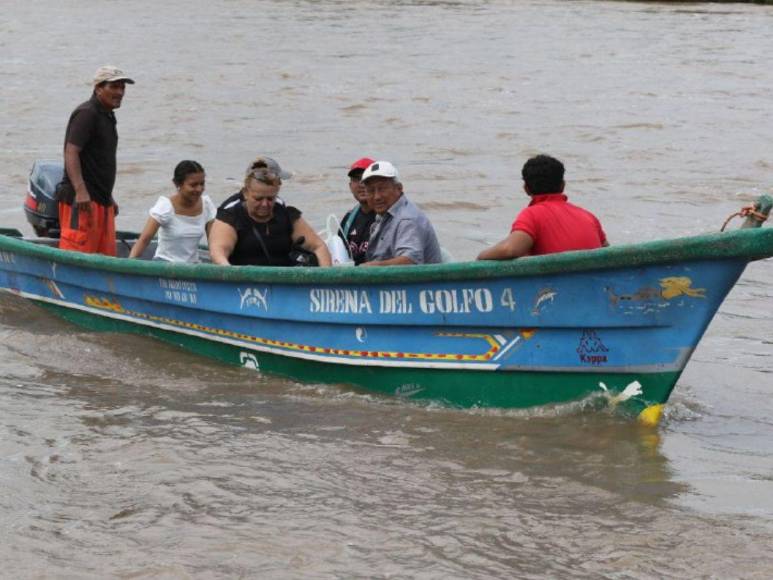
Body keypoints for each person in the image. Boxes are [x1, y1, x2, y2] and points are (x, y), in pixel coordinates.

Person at [56, 65, 134, 255]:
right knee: (78, 257)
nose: (120, 92)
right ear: (98, 88)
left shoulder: (106, 116)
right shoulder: (87, 113)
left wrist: (109, 197)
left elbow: (98, 161)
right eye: (114, 87)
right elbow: (71, 152)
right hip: (82, 201)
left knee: (104, 259)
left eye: (122, 87)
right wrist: (81, 191)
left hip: (101, 201)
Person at [477, 154, 607, 260]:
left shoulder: (531, 215)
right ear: (563, 186)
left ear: (526, 189)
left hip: (555, 287)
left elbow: (511, 249)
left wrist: (480, 257)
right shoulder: (588, 216)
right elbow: (606, 251)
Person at [208, 161, 332, 267]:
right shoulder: (230, 217)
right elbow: (218, 251)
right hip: (244, 284)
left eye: (270, 199)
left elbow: (318, 246)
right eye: (258, 199)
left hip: (286, 283)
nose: (265, 204)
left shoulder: (287, 215)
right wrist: (231, 273)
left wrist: (327, 278)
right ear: (245, 193)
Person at [128, 161, 215, 262]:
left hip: (192, 267)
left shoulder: (207, 205)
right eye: (193, 185)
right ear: (177, 184)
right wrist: (129, 264)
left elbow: (214, 244)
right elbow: (144, 240)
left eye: (202, 184)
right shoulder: (165, 207)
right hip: (164, 265)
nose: (199, 189)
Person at [361, 161, 442, 266]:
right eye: (371, 191)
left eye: (382, 189)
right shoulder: (385, 215)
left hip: (421, 282)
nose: (377, 197)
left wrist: (372, 267)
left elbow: (410, 261)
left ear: (399, 189)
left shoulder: (406, 220)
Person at [338, 157, 375, 265]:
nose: (361, 184)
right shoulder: (348, 220)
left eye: (366, 179)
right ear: (350, 186)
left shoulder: (388, 217)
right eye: (356, 179)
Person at [218, 156, 290, 211]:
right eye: (277, 180)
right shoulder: (229, 208)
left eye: (270, 198)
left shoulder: (279, 203)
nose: (280, 184)